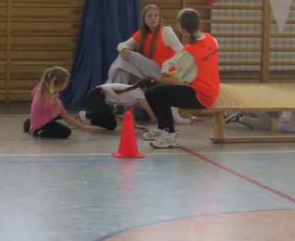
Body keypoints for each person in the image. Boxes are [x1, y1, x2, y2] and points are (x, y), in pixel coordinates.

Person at [144, 8, 219, 149]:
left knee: (155, 93)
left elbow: (180, 80)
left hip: (201, 96)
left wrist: (155, 80)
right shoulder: (211, 39)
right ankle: (162, 127)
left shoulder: (189, 51)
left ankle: (169, 135)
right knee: (154, 93)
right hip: (211, 90)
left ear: (183, 30)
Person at [24, 66, 93, 138]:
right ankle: (38, 130)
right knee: (66, 132)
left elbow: (32, 94)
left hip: (36, 118)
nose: (67, 84)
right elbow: (68, 119)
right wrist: (84, 128)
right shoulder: (55, 100)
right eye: (66, 82)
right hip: (42, 124)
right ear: (59, 84)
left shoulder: (40, 87)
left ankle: (31, 123)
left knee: (57, 114)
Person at [78, 78, 157, 131]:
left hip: (100, 98)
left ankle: (89, 120)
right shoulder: (138, 92)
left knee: (112, 125)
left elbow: (128, 112)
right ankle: (83, 115)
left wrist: (133, 125)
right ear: (146, 88)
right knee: (105, 113)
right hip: (95, 94)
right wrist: (155, 119)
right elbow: (147, 107)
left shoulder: (135, 94)